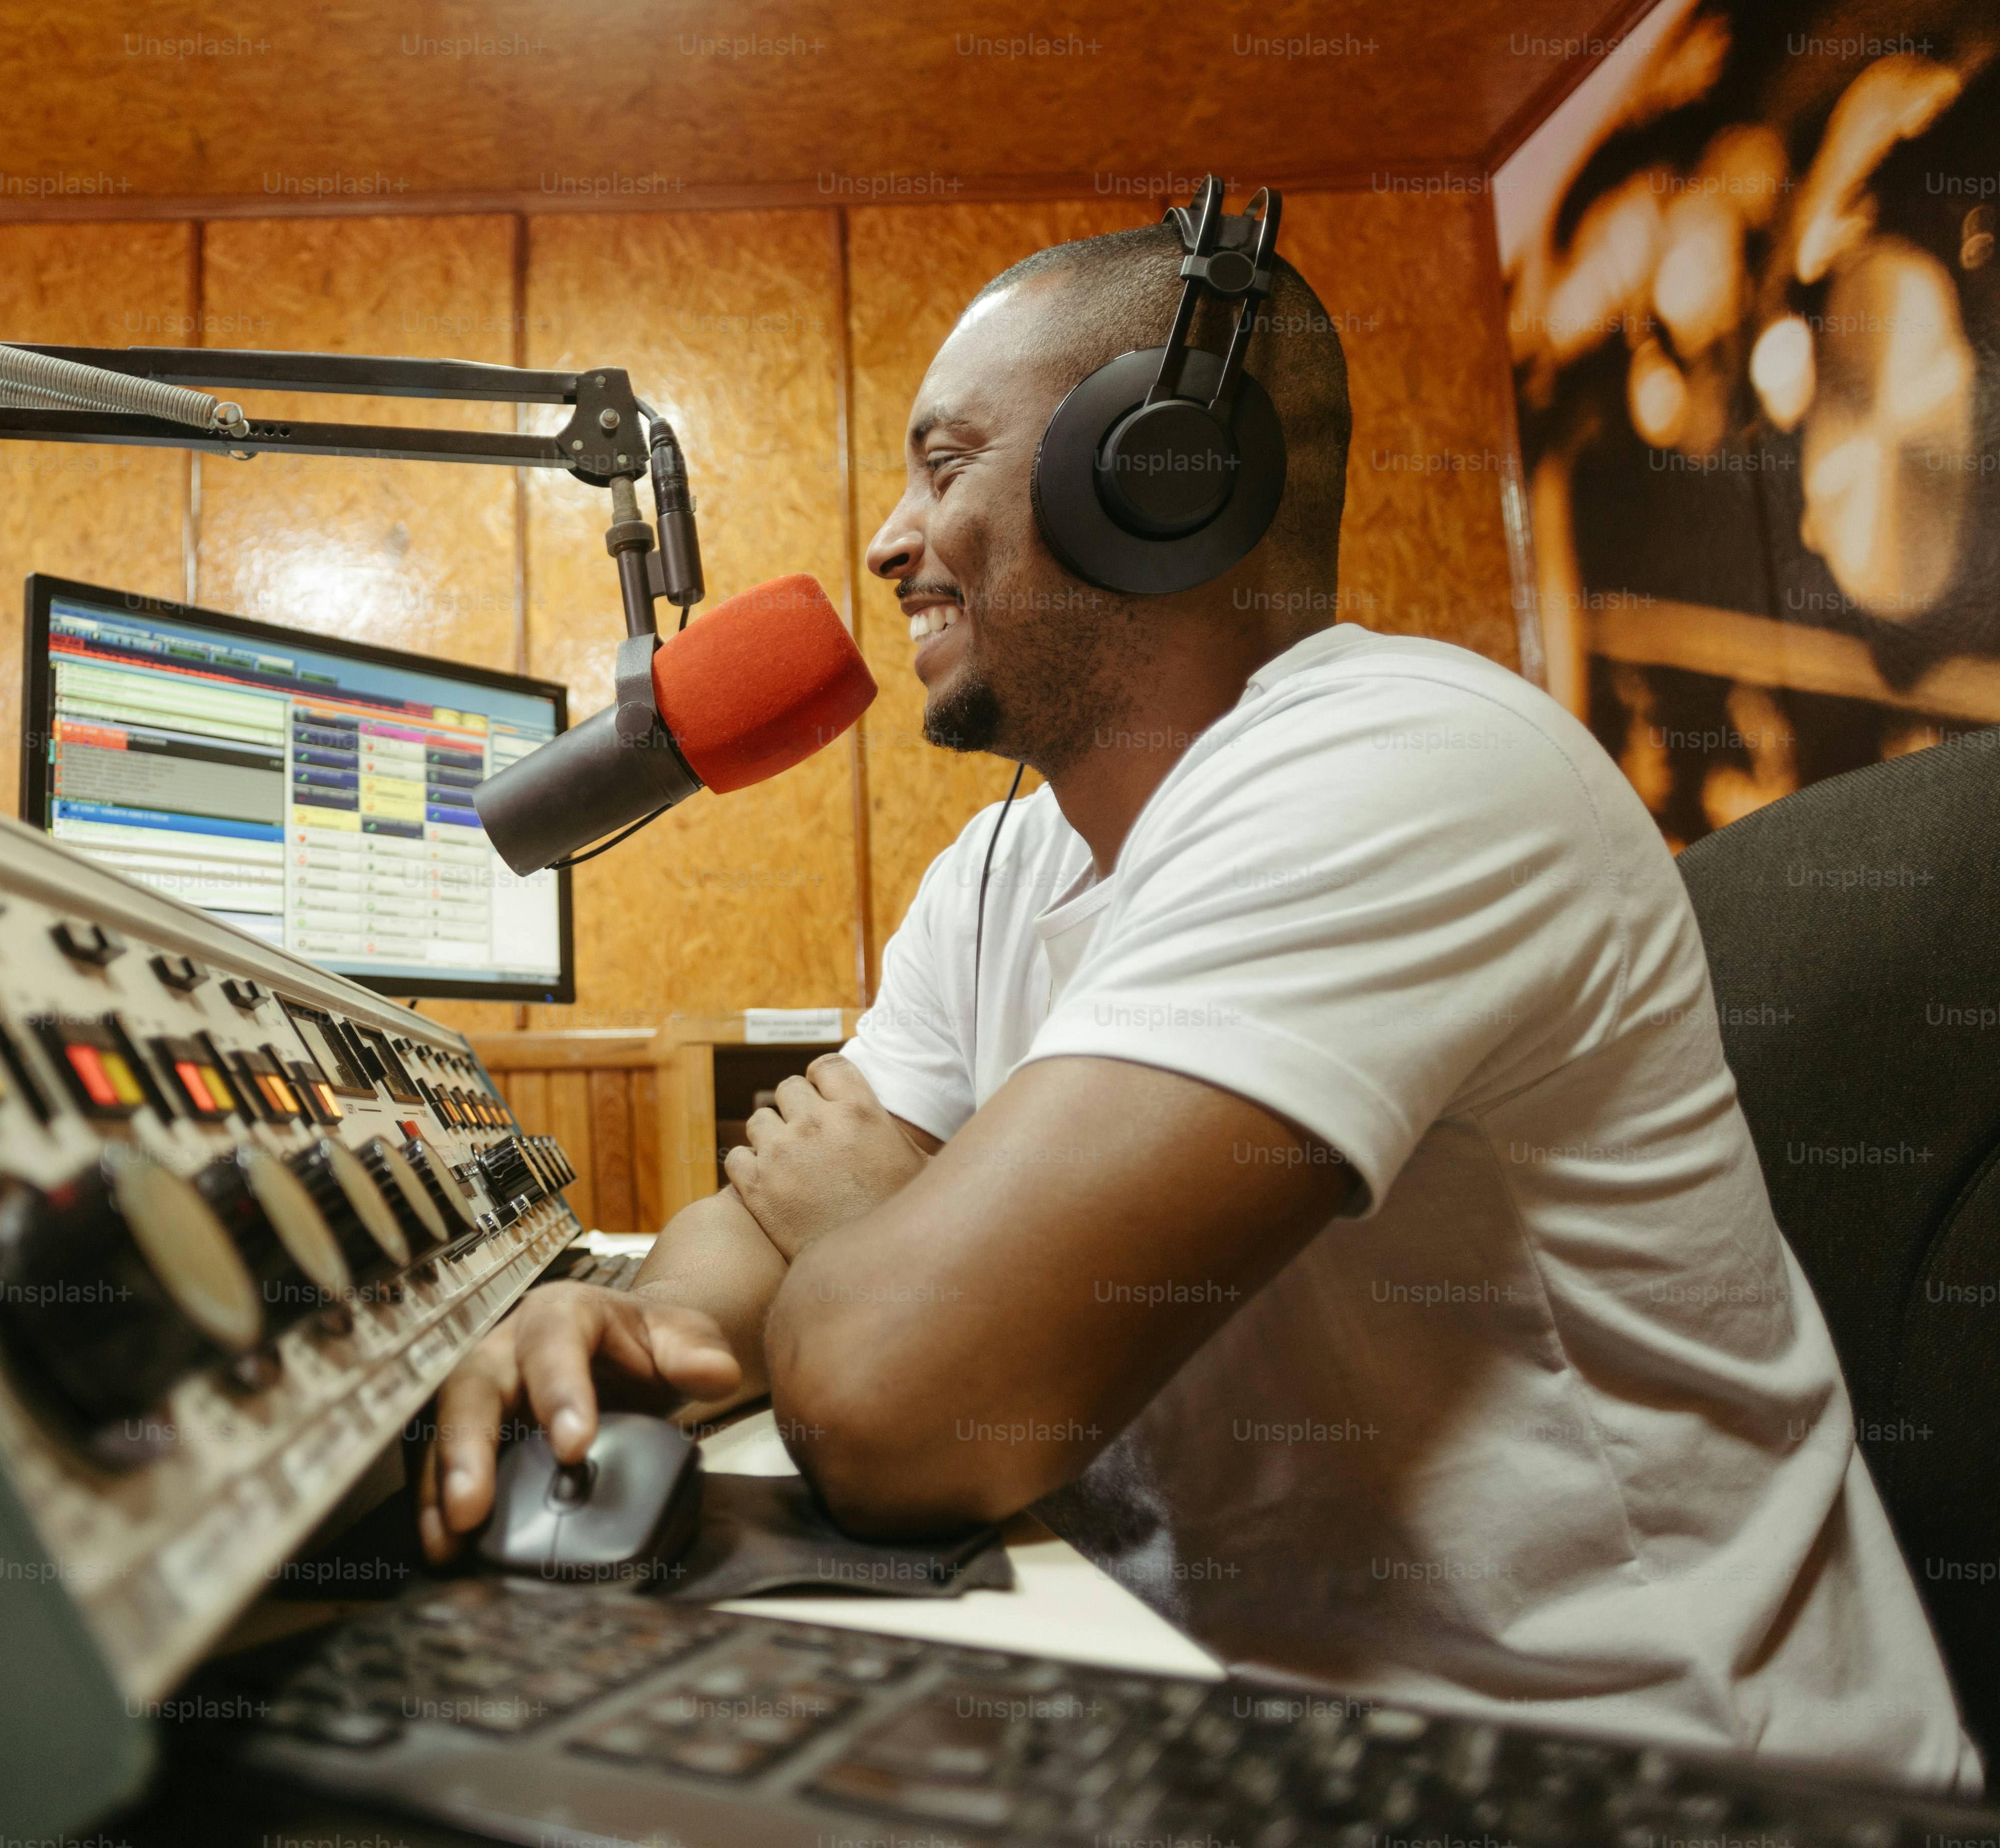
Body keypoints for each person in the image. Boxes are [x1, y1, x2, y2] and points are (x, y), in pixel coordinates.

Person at [415, 221, 1978, 1788]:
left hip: (1650, 1783)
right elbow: (761, 1238)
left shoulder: (1403, 768)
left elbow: (902, 1412)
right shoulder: (1003, 865)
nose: (889, 543)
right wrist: (640, 1329)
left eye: (946, 463)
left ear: (1158, 468)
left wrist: (893, 1237)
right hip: (1228, 1713)